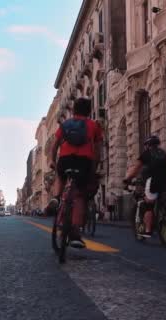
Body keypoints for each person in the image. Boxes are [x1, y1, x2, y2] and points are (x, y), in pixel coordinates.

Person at [48, 97, 104, 249]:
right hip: (83, 161)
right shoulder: (94, 125)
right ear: (89, 110)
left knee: (60, 174)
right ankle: (75, 235)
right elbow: (98, 150)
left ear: (73, 110)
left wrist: (53, 161)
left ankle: (56, 198)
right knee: (79, 196)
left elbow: (54, 146)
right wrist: (94, 166)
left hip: (65, 159)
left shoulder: (65, 124)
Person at [123, 135, 166, 238]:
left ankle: (148, 230)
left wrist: (127, 179)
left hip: (154, 179)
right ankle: (165, 210)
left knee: (148, 205)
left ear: (147, 146)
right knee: (158, 196)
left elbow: (136, 169)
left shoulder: (147, 154)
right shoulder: (164, 153)